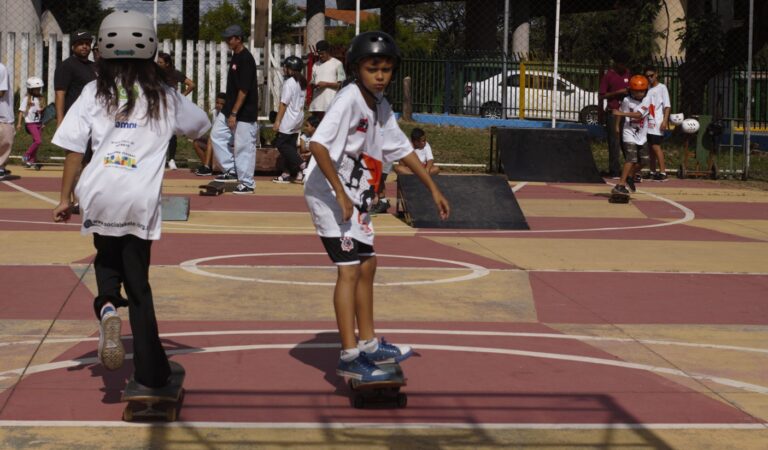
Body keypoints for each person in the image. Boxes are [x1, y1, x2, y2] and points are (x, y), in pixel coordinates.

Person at [51, 10, 210, 388]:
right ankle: (151, 373)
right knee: (138, 286)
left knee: (106, 257)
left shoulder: (93, 91)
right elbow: (201, 124)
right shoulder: (163, 95)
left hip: (98, 190)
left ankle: (106, 306)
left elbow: (73, 150)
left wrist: (63, 198)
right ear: (151, 50)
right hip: (138, 198)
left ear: (102, 50)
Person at [304, 31, 450, 382]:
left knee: (368, 265)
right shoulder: (349, 99)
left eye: (386, 69)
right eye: (373, 68)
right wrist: (339, 193)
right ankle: (349, 355)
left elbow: (401, 149)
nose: (381, 75)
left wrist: (432, 187)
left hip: (355, 196)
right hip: (329, 194)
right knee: (350, 269)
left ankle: (368, 344)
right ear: (357, 69)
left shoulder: (380, 104)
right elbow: (318, 146)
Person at [211, 24, 259, 195]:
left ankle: (247, 183)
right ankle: (231, 170)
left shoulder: (246, 59)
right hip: (230, 109)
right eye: (226, 38)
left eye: (229, 38)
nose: (227, 41)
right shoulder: (236, 56)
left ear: (238, 38)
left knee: (243, 147)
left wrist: (234, 113)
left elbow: (244, 90)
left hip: (244, 113)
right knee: (216, 135)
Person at [610, 75, 652, 197]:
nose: (639, 94)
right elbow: (620, 112)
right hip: (629, 132)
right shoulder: (627, 100)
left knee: (645, 161)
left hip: (641, 134)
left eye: (642, 91)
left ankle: (629, 175)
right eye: (636, 91)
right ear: (631, 90)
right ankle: (620, 185)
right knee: (631, 158)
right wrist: (617, 126)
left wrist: (621, 113)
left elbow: (638, 115)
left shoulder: (647, 100)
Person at [157, 52, 195, 170]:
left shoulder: (175, 74)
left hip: (172, 106)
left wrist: (181, 96)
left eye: (161, 63)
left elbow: (191, 84)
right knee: (158, 132)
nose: (158, 64)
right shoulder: (154, 74)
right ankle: (159, 158)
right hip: (158, 106)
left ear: (167, 64)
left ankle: (171, 159)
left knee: (171, 132)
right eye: (157, 62)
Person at [272, 56, 307, 184]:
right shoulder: (302, 82)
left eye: (285, 67)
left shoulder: (290, 83)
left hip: (289, 118)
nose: (284, 69)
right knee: (291, 146)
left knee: (281, 144)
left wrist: (277, 121)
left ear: (291, 69)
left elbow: (284, 104)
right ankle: (288, 173)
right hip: (298, 117)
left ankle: (303, 166)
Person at [54, 30, 97, 127]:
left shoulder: (94, 66)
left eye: (87, 43)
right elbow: (60, 94)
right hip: (74, 118)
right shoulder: (66, 66)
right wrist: (60, 121)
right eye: (80, 44)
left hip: (92, 117)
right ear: (73, 47)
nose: (85, 46)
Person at [599, 51, 631, 179]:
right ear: (616, 63)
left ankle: (631, 169)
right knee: (614, 141)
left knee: (627, 141)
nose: (623, 66)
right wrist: (617, 92)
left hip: (627, 113)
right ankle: (614, 170)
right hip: (613, 111)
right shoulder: (609, 75)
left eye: (625, 64)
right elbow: (602, 95)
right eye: (621, 64)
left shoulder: (629, 74)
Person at [644, 65, 670, 181]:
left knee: (656, 146)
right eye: (647, 76)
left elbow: (667, 106)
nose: (649, 78)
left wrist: (664, 120)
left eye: (651, 75)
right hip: (648, 122)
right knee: (650, 148)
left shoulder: (662, 88)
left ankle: (663, 172)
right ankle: (652, 171)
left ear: (656, 74)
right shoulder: (648, 89)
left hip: (657, 121)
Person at [308, 40, 345, 120]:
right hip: (316, 106)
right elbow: (313, 80)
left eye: (322, 53)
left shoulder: (337, 64)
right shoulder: (315, 65)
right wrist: (313, 84)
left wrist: (326, 84)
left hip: (330, 105)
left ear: (328, 51)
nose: (320, 56)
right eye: (319, 54)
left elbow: (342, 85)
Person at [194, 92, 226, 176]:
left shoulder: (227, 115)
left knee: (211, 138)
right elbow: (214, 130)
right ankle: (207, 166)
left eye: (222, 104)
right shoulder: (215, 113)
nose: (219, 105)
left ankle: (207, 167)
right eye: (217, 103)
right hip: (215, 140)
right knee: (196, 142)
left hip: (223, 143)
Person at [17, 77, 46, 167]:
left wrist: (43, 121)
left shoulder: (41, 98)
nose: (38, 90)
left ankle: (31, 161)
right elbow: (21, 111)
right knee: (38, 141)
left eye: (39, 88)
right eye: (36, 89)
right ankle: (26, 155)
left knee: (36, 143)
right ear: (31, 89)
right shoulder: (27, 99)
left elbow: (42, 112)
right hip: (30, 123)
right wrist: (19, 123)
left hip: (39, 123)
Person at [0, 61, 14, 179]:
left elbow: (1, 92)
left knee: (5, 141)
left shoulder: (1, 69)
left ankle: (0, 167)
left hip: (3, 115)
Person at [298, 115, 320, 179]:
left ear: (314, 127)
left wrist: (309, 152)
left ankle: (307, 172)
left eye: (307, 126)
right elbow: (302, 148)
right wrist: (310, 150)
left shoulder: (319, 137)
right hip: (304, 157)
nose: (305, 128)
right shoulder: (304, 136)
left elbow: (318, 149)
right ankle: (302, 172)